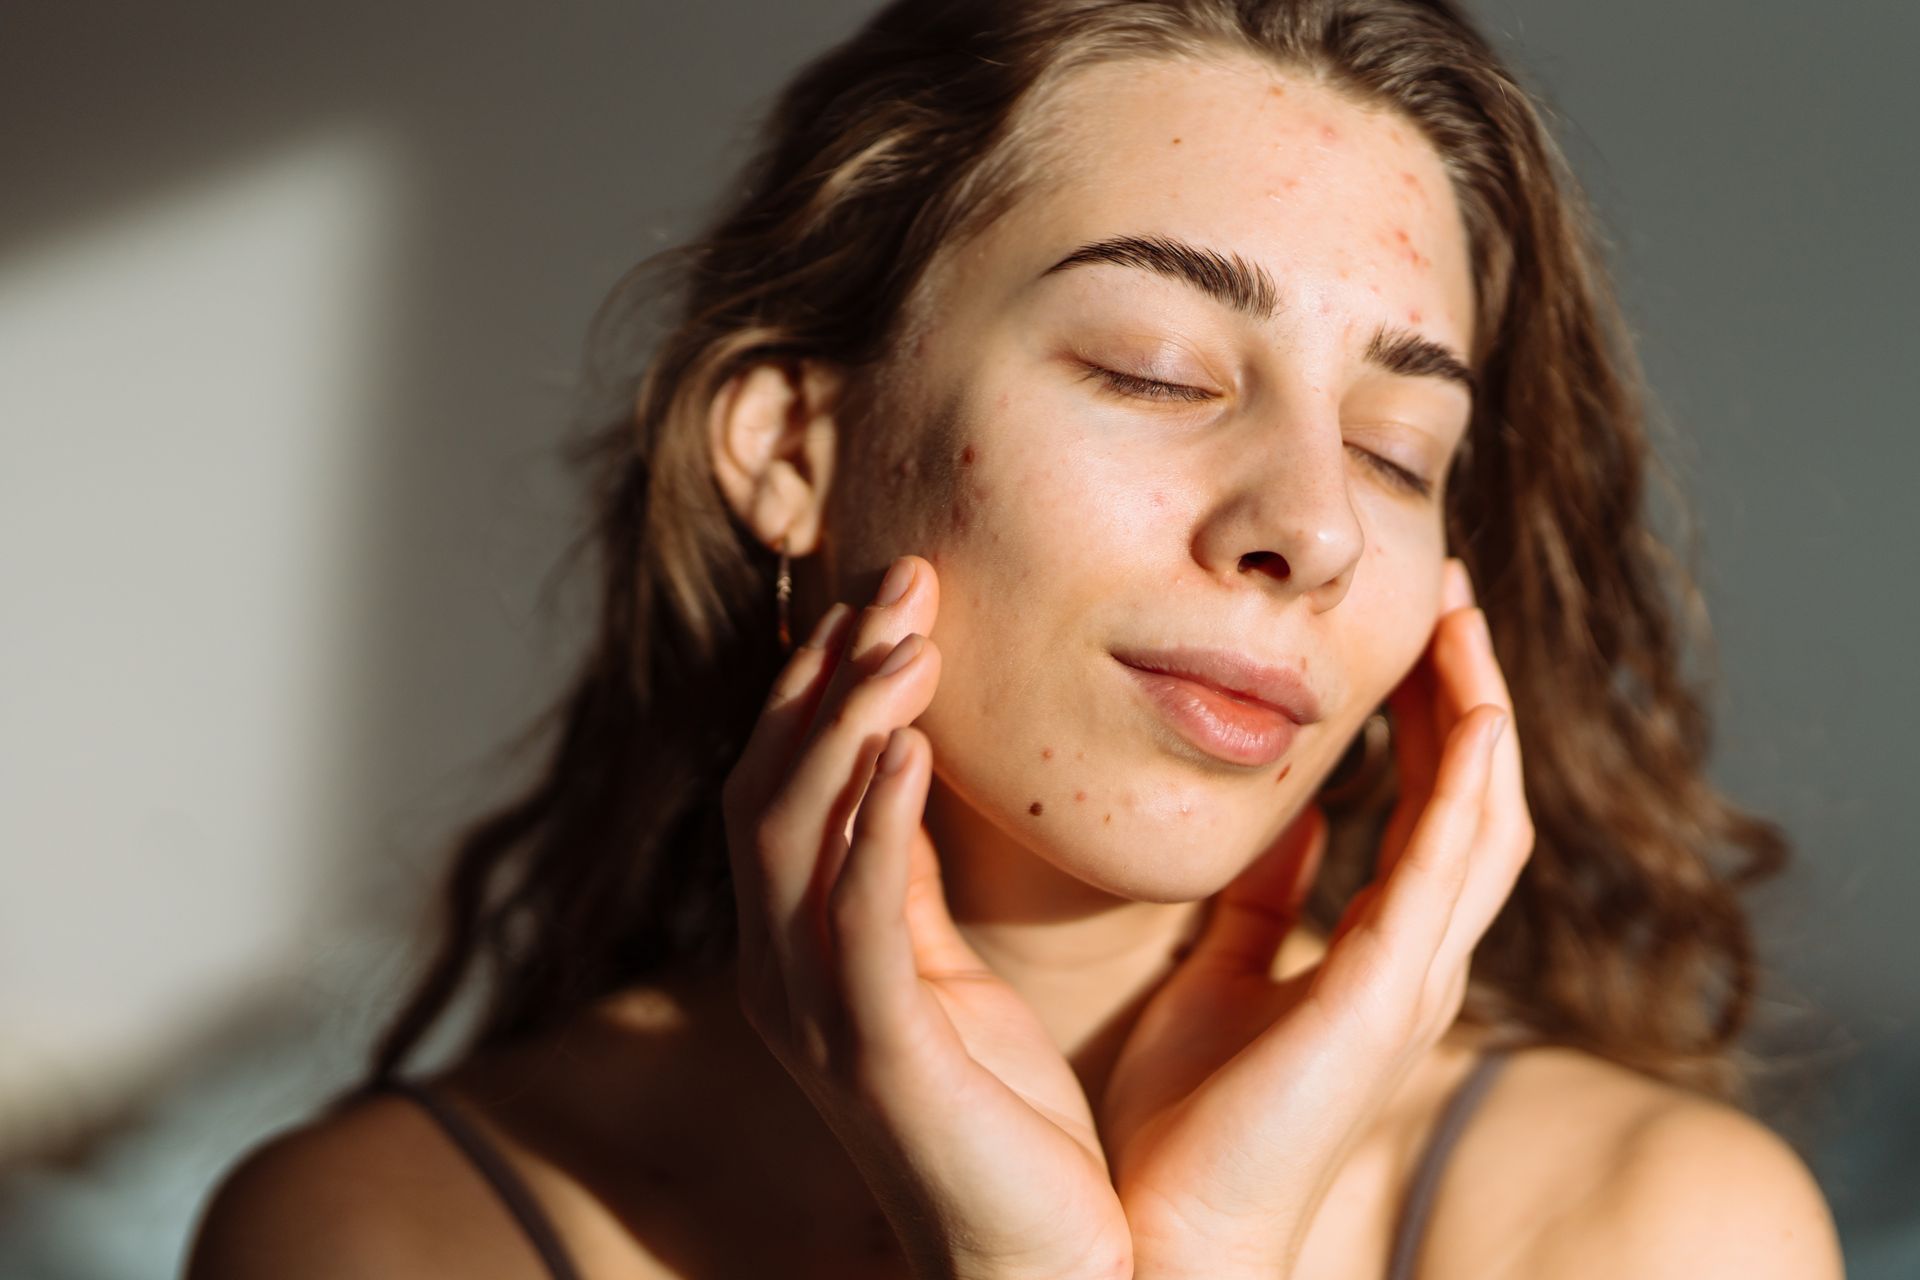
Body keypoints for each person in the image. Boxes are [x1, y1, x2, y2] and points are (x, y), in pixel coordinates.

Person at [185, 1, 1846, 1276]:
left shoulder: (1649, 1227)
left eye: (1404, 452)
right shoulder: (390, 1236)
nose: (1317, 526)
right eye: (1151, 368)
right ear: (793, 447)